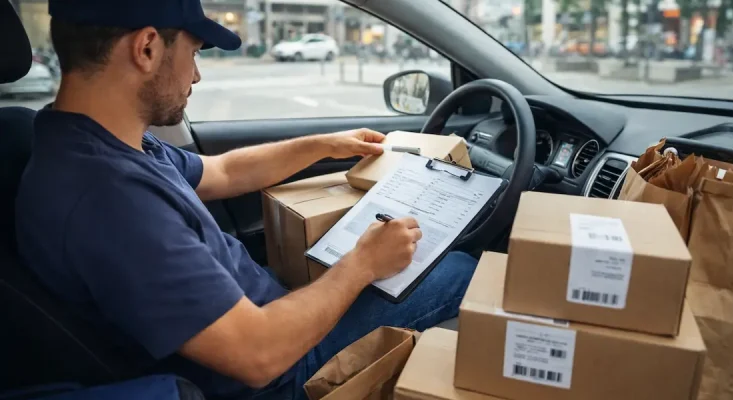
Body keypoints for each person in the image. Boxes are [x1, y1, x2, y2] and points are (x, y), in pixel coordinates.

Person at [14, 0, 478, 399]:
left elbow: (223, 171)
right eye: (194, 54)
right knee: (462, 273)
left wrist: (323, 144)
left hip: (265, 319)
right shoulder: (108, 199)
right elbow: (257, 356)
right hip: (278, 372)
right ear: (148, 48)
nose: (195, 74)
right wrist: (363, 264)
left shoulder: (97, 139)